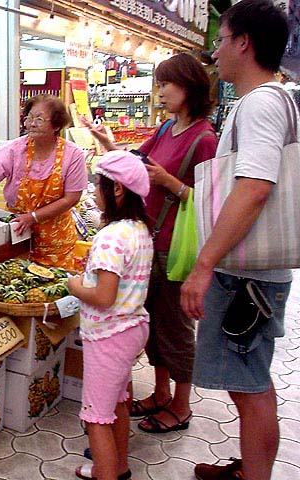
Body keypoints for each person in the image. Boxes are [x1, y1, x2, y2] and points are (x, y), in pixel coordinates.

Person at [181, 2, 295, 479]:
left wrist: (204, 264)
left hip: (244, 279)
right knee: (247, 382)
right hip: (249, 275)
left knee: (250, 388)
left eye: (222, 39)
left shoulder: (262, 103)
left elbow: (254, 185)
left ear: (243, 41)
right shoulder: (275, 99)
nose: (216, 51)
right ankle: (250, 469)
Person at [85, 53, 218, 433]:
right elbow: (136, 165)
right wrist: (108, 144)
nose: (159, 92)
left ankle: (182, 403)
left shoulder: (204, 139)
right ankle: (160, 392)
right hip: (150, 240)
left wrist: (172, 184)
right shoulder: (165, 130)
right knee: (152, 321)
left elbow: (212, 199)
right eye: (158, 84)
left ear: (188, 87)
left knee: (175, 326)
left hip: (176, 246)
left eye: (165, 85)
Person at [68, 150, 153, 480]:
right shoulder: (139, 229)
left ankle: (107, 471)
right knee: (118, 404)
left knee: (96, 418)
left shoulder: (111, 235)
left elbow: (103, 296)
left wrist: (75, 286)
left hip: (108, 335)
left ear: (117, 189)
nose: (93, 192)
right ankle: (117, 467)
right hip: (132, 327)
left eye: (97, 186)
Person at [0, 95, 88, 268]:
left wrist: (33, 217)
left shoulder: (72, 155)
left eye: (39, 119)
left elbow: (71, 198)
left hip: (55, 242)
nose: (31, 123)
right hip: (18, 236)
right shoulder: (16, 149)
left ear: (57, 125)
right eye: (29, 117)